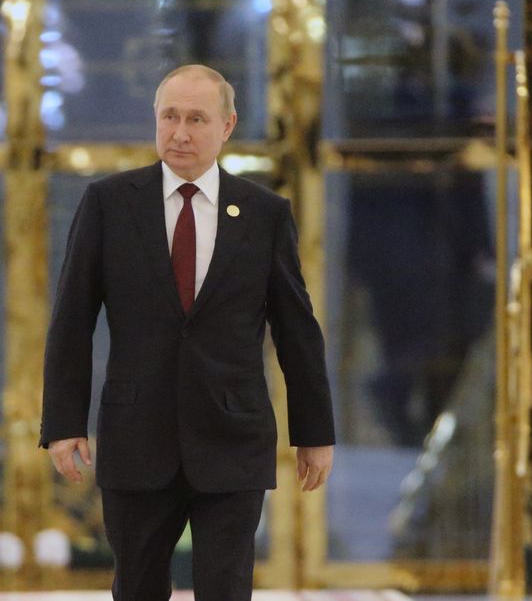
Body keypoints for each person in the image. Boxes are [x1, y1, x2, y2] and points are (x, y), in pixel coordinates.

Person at [40, 64, 336, 600]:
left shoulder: (265, 214)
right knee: (136, 589)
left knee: (226, 590)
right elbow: (71, 319)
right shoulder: (109, 204)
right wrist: (63, 423)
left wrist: (314, 431)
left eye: (196, 118)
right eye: (169, 116)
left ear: (226, 125)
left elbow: (297, 329)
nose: (179, 132)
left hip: (232, 438)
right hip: (136, 438)